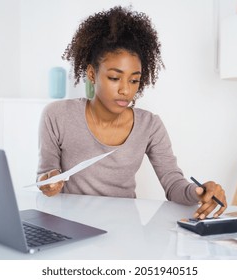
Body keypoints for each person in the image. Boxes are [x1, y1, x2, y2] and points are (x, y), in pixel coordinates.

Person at [37, 6, 227, 219]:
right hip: (72, 226)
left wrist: (198, 192)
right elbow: (46, 174)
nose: (126, 90)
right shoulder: (58, 115)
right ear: (92, 73)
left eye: (134, 80)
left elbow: (173, 183)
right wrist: (49, 181)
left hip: (125, 230)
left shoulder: (150, 126)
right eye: (114, 78)